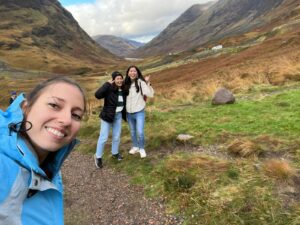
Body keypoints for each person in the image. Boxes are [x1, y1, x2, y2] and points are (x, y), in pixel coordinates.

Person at [0, 77, 86, 225]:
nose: (66, 120)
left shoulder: (49, 165)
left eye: (76, 115)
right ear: (26, 107)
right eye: (54, 105)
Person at [94, 71, 128, 168]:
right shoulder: (109, 88)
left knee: (116, 137)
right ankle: (98, 156)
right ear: (113, 80)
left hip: (118, 116)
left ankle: (115, 153)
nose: (120, 80)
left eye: (121, 78)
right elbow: (97, 95)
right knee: (103, 137)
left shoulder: (124, 89)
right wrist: (107, 84)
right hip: (107, 116)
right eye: (117, 78)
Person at [124, 65, 154, 158]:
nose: (132, 73)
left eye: (134, 71)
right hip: (129, 113)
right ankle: (135, 146)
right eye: (131, 71)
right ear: (128, 73)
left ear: (137, 73)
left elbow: (150, 94)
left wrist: (147, 82)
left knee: (140, 132)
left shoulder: (141, 82)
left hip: (139, 112)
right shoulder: (125, 83)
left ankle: (141, 148)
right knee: (132, 132)